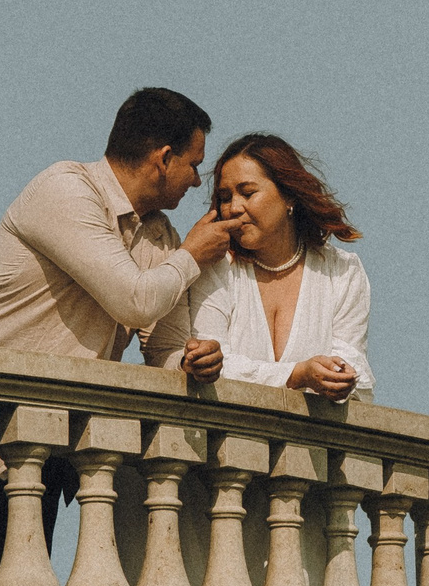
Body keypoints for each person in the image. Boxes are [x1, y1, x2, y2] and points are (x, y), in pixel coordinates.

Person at [0, 86, 234, 586]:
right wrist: (194, 258)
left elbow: (160, 345)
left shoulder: (158, 236)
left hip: (40, 431)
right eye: (193, 164)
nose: (195, 180)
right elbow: (134, 301)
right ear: (162, 157)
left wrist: (189, 359)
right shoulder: (64, 189)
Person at [152, 133, 374, 404]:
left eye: (248, 193)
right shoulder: (216, 267)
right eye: (225, 197)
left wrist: (341, 379)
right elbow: (220, 366)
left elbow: (357, 370)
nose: (233, 208)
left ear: (289, 195)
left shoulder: (343, 271)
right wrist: (297, 374)